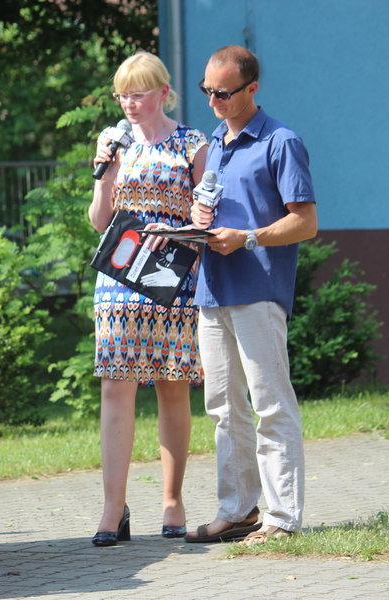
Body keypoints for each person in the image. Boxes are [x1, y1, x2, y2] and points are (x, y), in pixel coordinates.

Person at [184, 45, 317, 546]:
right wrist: (198, 223)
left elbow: (306, 222)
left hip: (259, 289)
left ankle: (282, 518)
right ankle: (237, 510)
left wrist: (250, 237)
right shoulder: (215, 143)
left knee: (270, 403)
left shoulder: (282, 141)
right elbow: (216, 205)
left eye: (223, 92)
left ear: (252, 88)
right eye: (207, 91)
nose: (214, 101)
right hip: (213, 289)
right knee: (222, 408)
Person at [88, 51, 207, 547]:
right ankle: (113, 508)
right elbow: (99, 221)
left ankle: (172, 500)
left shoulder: (193, 144)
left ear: (163, 92)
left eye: (138, 93)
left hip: (173, 277)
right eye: (122, 95)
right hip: (118, 280)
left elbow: (206, 220)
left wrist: (175, 233)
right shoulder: (114, 142)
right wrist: (105, 172)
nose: (130, 103)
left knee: (171, 385)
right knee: (116, 388)